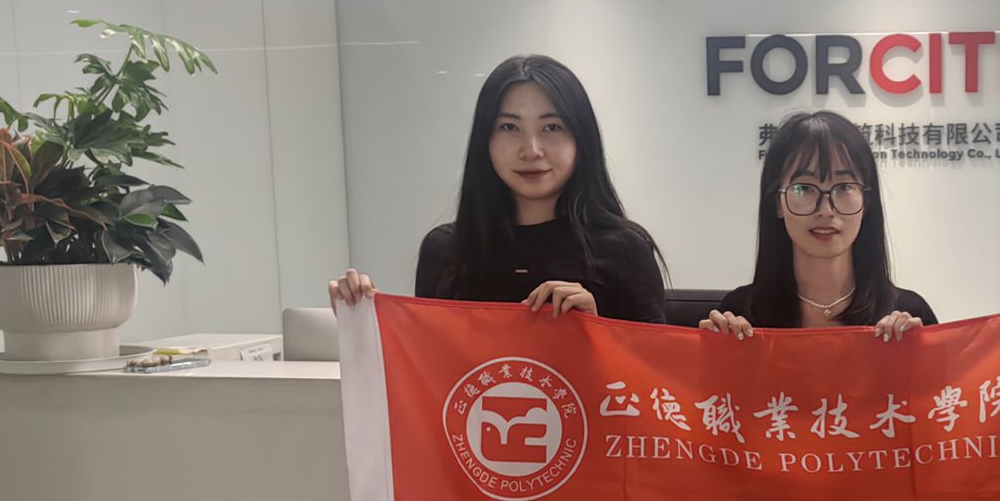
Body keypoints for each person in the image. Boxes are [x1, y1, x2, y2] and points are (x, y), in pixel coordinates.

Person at [328, 55, 665, 322]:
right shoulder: (446, 252)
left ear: (581, 139)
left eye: (552, 127)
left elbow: (657, 377)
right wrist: (362, 318)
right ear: (484, 140)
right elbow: (430, 371)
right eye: (509, 127)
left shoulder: (626, 249)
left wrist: (597, 327)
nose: (531, 149)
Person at [701, 111, 935, 341]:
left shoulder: (909, 315)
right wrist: (712, 350)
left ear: (867, 202)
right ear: (777, 203)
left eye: (844, 187)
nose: (826, 210)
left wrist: (917, 352)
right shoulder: (741, 314)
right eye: (804, 188)